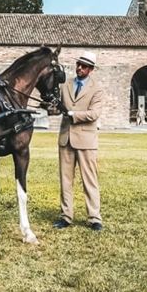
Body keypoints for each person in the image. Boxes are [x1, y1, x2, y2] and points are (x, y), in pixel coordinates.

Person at [54, 51, 104, 232]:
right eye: (78, 65)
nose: (79, 68)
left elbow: (94, 114)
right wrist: (51, 106)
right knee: (65, 180)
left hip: (86, 140)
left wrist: (72, 114)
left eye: (84, 66)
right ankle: (66, 216)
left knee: (89, 180)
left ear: (90, 69)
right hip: (65, 139)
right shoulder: (65, 85)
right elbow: (56, 108)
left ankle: (94, 218)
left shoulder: (96, 89)